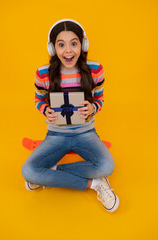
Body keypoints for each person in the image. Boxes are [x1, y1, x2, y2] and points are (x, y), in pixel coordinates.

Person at [21, 19, 119, 213]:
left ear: (82, 45)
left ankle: (49, 174)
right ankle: (94, 184)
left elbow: (100, 99)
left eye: (74, 43)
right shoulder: (43, 74)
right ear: (52, 48)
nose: (68, 51)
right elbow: (39, 100)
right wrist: (45, 110)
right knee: (28, 171)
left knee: (107, 165)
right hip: (56, 135)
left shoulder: (95, 70)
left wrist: (93, 108)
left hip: (86, 133)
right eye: (61, 44)